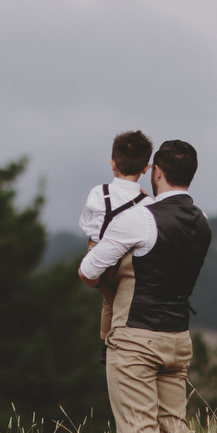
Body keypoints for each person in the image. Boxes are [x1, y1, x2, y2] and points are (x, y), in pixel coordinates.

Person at [79, 139, 212, 433]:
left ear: (156, 172)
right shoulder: (203, 222)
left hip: (136, 339)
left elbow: (87, 271)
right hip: (178, 339)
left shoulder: (139, 219)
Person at [78, 130, 153, 345]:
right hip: (128, 260)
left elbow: (85, 223)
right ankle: (118, 343)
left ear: (112, 163)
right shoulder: (147, 202)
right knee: (121, 301)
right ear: (146, 169)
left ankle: (105, 343)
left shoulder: (98, 192)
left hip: (96, 252)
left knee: (109, 300)